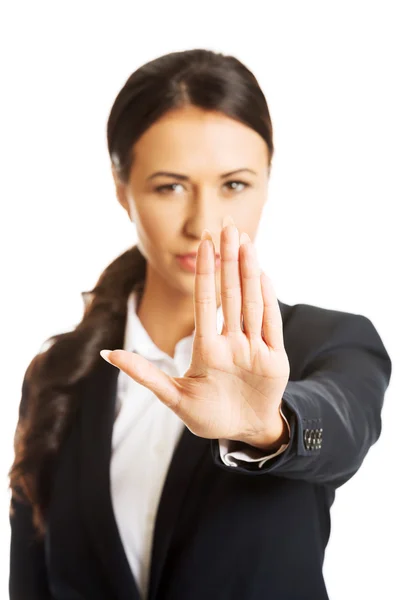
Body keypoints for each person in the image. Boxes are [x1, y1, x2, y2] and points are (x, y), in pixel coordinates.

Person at [8, 48, 392, 600]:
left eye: (234, 185)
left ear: (266, 183)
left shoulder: (330, 341)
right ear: (123, 190)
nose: (203, 223)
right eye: (170, 186)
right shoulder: (58, 374)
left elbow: (341, 427)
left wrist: (270, 428)